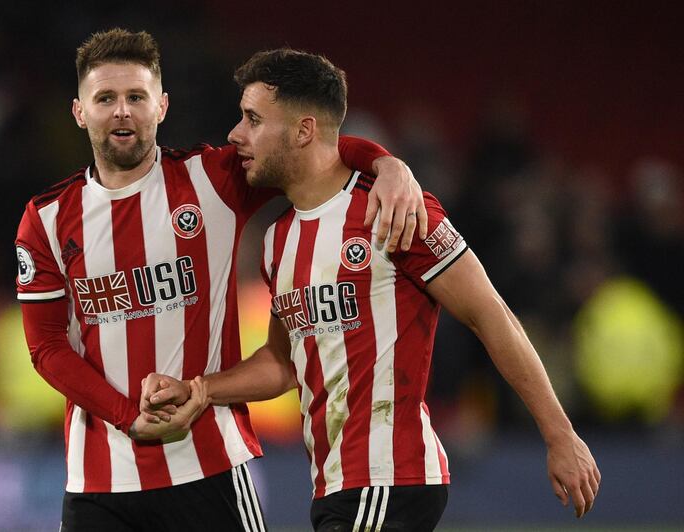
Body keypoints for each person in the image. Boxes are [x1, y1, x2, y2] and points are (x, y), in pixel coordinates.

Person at [142, 49, 601, 531]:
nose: (236, 133)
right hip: (334, 485)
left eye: (253, 119)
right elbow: (282, 363)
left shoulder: (395, 211)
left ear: (303, 131)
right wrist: (200, 389)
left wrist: (559, 433)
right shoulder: (278, 240)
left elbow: (490, 314)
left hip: (389, 475)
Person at [15, 28, 427, 532]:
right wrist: (128, 417)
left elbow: (311, 142)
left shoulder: (211, 180)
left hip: (211, 468)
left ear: (161, 106)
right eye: (105, 98)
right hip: (100, 484)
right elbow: (46, 347)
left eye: (136, 97)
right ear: (80, 112)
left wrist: (386, 164)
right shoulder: (48, 219)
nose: (122, 110)